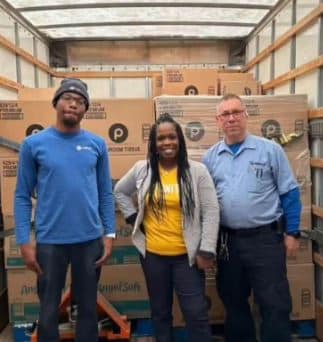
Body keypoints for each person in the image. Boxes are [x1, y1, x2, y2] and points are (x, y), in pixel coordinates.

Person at [14, 78, 116, 342]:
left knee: (87, 311)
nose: (74, 104)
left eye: (81, 101)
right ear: (56, 102)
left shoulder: (97, 144)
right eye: (68, 98)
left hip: (89, 242)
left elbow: (105, 192)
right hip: (50, 244)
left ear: (86, 109)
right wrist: (24, 240)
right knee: (48, 312)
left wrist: (109, 234)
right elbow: (22, 196)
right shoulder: (33, 145)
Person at [203, 94, 302, 342]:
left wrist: (293, 232)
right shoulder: (211, 158)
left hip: (265, 240)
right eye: (225, 114)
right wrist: (208, 246)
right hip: (228, 243)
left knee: (275, 303)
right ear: (218, 120)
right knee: (234, 303)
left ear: (246, 115)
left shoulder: (270, 150)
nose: (232, 118)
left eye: (237, 112)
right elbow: (206, 204)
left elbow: (289, 192)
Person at [114, 113, 219, 342]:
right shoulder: (142, 169)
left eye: (172, 137)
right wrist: (133, 218)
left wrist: (207, 249)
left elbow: (211, 210)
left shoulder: (197, 171)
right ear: (154, 143)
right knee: (160, 313)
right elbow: (120, 191)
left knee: (196, 314)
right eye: (161, 138)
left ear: (180, 139)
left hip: (187, 258)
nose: (167, 142)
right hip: (153, 257)